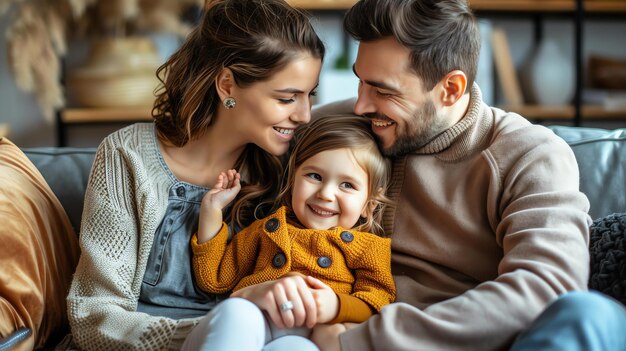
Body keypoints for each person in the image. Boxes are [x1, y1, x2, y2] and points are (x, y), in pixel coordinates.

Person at [234, 0, 626, 350]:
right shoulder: (338, 128)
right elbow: (228, 155)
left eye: (383, 91)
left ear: (450, 89)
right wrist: (255, 292)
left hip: (425, 341)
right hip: (314, 331)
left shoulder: (528, 154)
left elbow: (546, 289)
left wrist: (361, 341)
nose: (361, 104)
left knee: (590, 315)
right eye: (360, 80)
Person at [65, 0, 325, 350]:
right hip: (154, 343)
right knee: (242, 319)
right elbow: (94, 316)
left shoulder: (294, 170)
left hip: (255, 339)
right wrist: (214, 329)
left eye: (310, 95)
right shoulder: (127, 155)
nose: (305, 115)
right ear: (228, 85)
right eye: (286, 98)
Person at [183, 115, 396, 350]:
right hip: (254, 320)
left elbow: (378, 300)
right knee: (237, 313)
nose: (325, 194)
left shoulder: (369, 248)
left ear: (369, 205)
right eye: (314, 176)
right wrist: (212, 211)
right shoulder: (268, 229)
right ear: (293, 180)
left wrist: (337, 306)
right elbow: (213, 279)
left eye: (347, 185)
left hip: (306, 335)